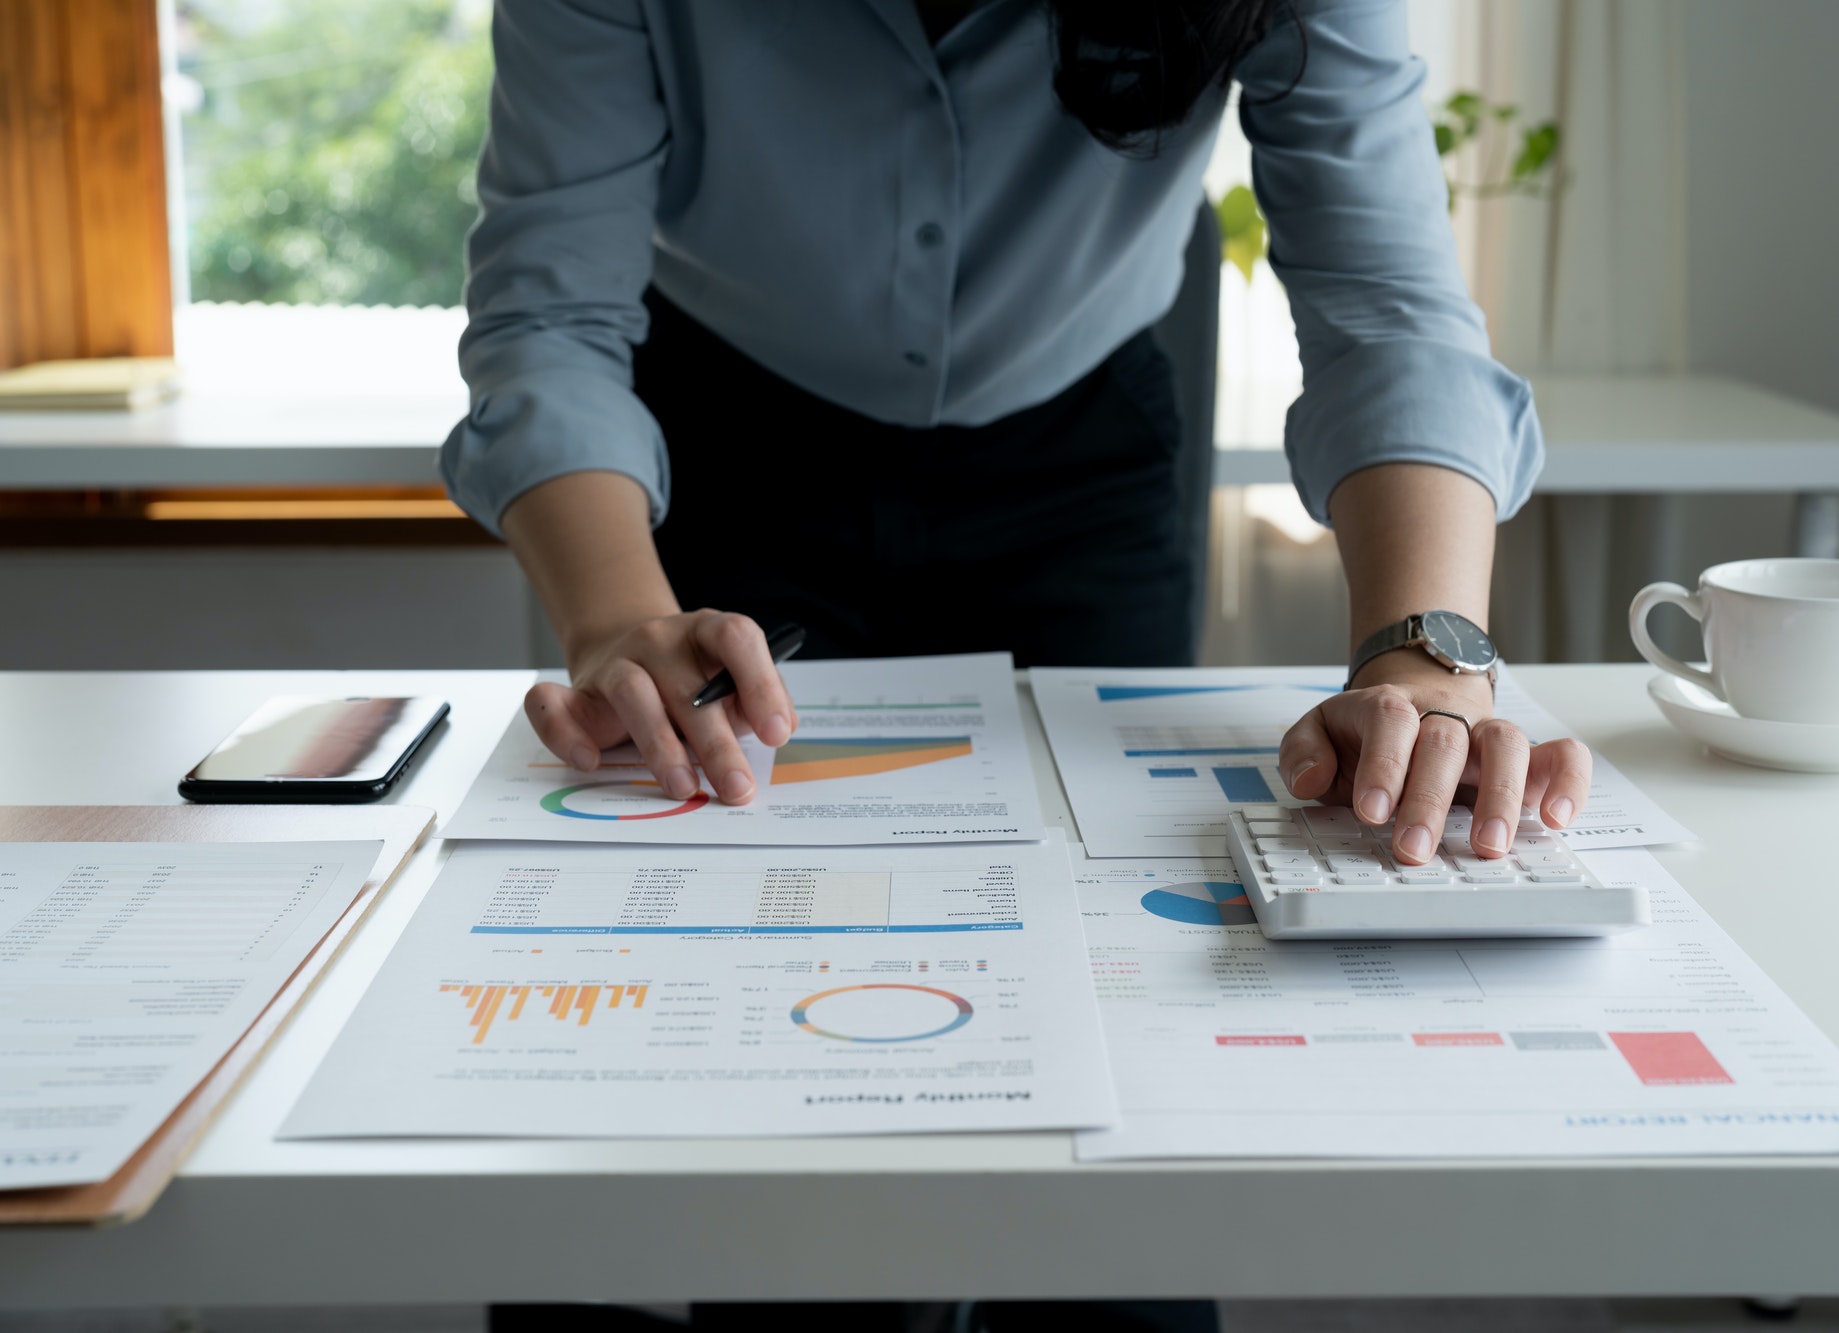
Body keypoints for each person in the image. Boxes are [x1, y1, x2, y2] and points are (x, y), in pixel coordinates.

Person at [449, 2, 1591, 1325]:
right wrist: (614, 620)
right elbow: (547, 317)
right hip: (729, 447)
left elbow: (1388, 308)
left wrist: (1426, 654)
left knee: (1126, 1072)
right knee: (783, 1112)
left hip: (1081, 449)